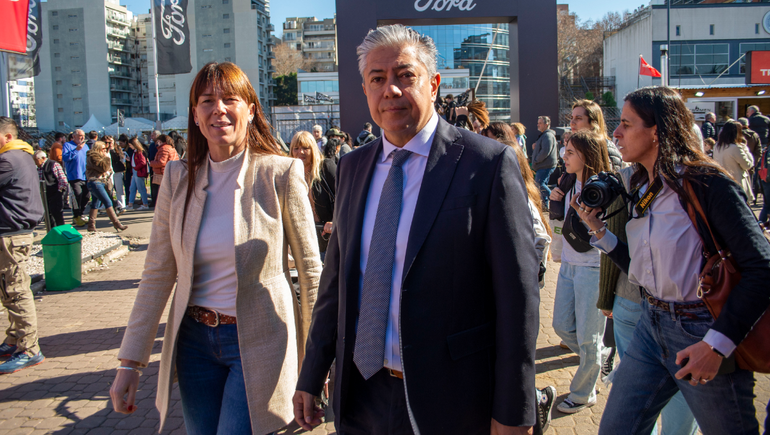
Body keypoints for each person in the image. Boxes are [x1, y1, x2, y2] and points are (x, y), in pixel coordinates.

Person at [293, 24, 539, 435]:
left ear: (434, 84)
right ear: (366, 89)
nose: (390, 90)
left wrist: (513, 411)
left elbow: (518, 299)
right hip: (361, 396)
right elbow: (335, 283)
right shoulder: (353, 167)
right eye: (377, 79)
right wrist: (311, 373)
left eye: (405, 76)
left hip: (452, 400)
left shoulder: (487, 164)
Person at [110, 62, 321, 434]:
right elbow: (158, 273)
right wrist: (130, 362)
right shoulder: (177, 178)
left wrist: (318, 365)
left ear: (251, 110)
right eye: (207, 100)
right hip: (194, 343)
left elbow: (311, 273)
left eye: (230, 99)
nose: (218, 109)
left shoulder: (281, 173)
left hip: (260, 340)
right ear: (195, 113)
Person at [574, 86, 770, 434]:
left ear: (657, 132)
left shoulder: (707, 184)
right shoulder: (642, 184)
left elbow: (761, 268)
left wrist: (716, 345)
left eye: (627, 124)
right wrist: (598, 231)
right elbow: (642, 268)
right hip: (651, 323)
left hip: (701, 329)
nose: (616, 132)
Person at [547, 131, 611, 414]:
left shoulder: (603, 189)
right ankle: (598, 356)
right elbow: (560, 223)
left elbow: (607, 232)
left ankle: (584, 392)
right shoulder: (567, 181)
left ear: (587, 155)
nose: (565, 156)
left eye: (571, 152)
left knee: (588, 337)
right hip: (570, 264)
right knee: (562, 326)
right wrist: (556, 201)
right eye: (565, 150)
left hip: (593, 267)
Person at [501, 138, 556, 434]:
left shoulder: (520, 195)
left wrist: (522, 286)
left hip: (514, 303)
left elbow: (539, 242)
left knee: (514, 370)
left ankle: (538, 402)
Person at [0, 117, 45, 374]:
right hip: (13, 231)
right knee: (10, 290)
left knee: (15, 291)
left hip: (11, 233)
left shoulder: (9, 159)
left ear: (7, 136)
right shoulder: (22, 156)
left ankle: (29, 349)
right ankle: (15, 339)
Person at [291, 131, 336, 261]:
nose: (301, 152)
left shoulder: (326, 166)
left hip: (329, 236)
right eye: (296, 148)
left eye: (306, 148)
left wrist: (335, 221)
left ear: (313, 149)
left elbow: (345, 196)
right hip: (303, 237)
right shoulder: (289, 173)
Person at [85, 142, 128, 232]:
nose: (105, 150)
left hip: (99, 182)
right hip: (95, 182)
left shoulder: (96, 156)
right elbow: (103, 168)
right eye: (103, 148)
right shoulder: (93, 156)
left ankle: (91, 225)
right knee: (108, 202)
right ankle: (116, 223)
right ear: (98, 148)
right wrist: (107, 157)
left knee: (95, 204)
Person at [570, 99, 623, 171]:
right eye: (571, 118)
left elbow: (613, 177)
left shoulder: (605, 147)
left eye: (578, 118)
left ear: (593, 123)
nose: (572, 122)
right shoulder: (574, 145)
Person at [713, 120, 755, 203]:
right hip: (737, 182)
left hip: (721, 181)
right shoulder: (736, 148)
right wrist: (746, 149)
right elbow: (747, 165)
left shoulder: (717, 146)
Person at [62, 129, 91, 227]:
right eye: (80, 136)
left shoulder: (85, 146)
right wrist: (76, 150)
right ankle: (76, 215)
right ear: (74, 136)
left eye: (83, 136)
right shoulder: (67, 145)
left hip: (85, 175)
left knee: (86, 196)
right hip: (74, 176)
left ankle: (81, 213)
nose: (82, 138)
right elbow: (65, 158)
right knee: (77, 195)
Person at [34, 150, 67, 227]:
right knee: (47, 214)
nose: (35, 162)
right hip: (44, 194)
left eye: (36, 159)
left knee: (57, 213)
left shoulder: (53, 164)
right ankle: (51, 231)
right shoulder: (38, 167)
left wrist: (60, 191)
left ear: (43, 158)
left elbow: (62, 178)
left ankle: (61, 231)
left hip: (55, 193)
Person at [532, 115, 558, 210]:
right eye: (538, 123)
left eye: (540, 123)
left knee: (540, 184)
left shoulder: (547, 135)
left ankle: (555, 198)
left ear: (546, 124)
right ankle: (545, 206)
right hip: (543, 165)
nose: (538, 125)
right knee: (542, 185)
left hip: (544, 165)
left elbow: (545, 151)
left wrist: (536, 160)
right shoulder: (545, 135)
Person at [104, 135, 126, 214]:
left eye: (110, 141)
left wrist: (112, 149)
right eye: (107, 142)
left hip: (117, 171)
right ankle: (110, 206)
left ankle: (121, 205)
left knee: (119, 189)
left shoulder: (117, 149)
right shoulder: (103, 150)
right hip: (108, 172)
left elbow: (117, 159)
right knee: (109, 190)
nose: (109, 143)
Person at [127, 138, 149, 211]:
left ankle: (145, 204)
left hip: (138, 171)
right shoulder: (136, 151)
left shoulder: (139, 152)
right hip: (136, 170)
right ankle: (130, 204)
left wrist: (136, 168)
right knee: (132, 188)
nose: (130, 146)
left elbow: (143, 162)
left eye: (130, 145)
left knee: (141, 188)